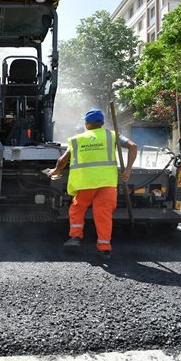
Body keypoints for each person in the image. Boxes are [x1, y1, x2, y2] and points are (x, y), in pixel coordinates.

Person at [47, 109, 138, 258]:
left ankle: (75, 237)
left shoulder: (77, 139)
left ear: (87, 123)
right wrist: (128, 170)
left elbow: (62, 160)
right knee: (103, 215)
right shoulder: (112, 135)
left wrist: (55, 171)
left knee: (77, 208)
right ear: (101, 123)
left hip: (85, 183)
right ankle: (104, 248)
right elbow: (133, 146)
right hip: (107, 183)